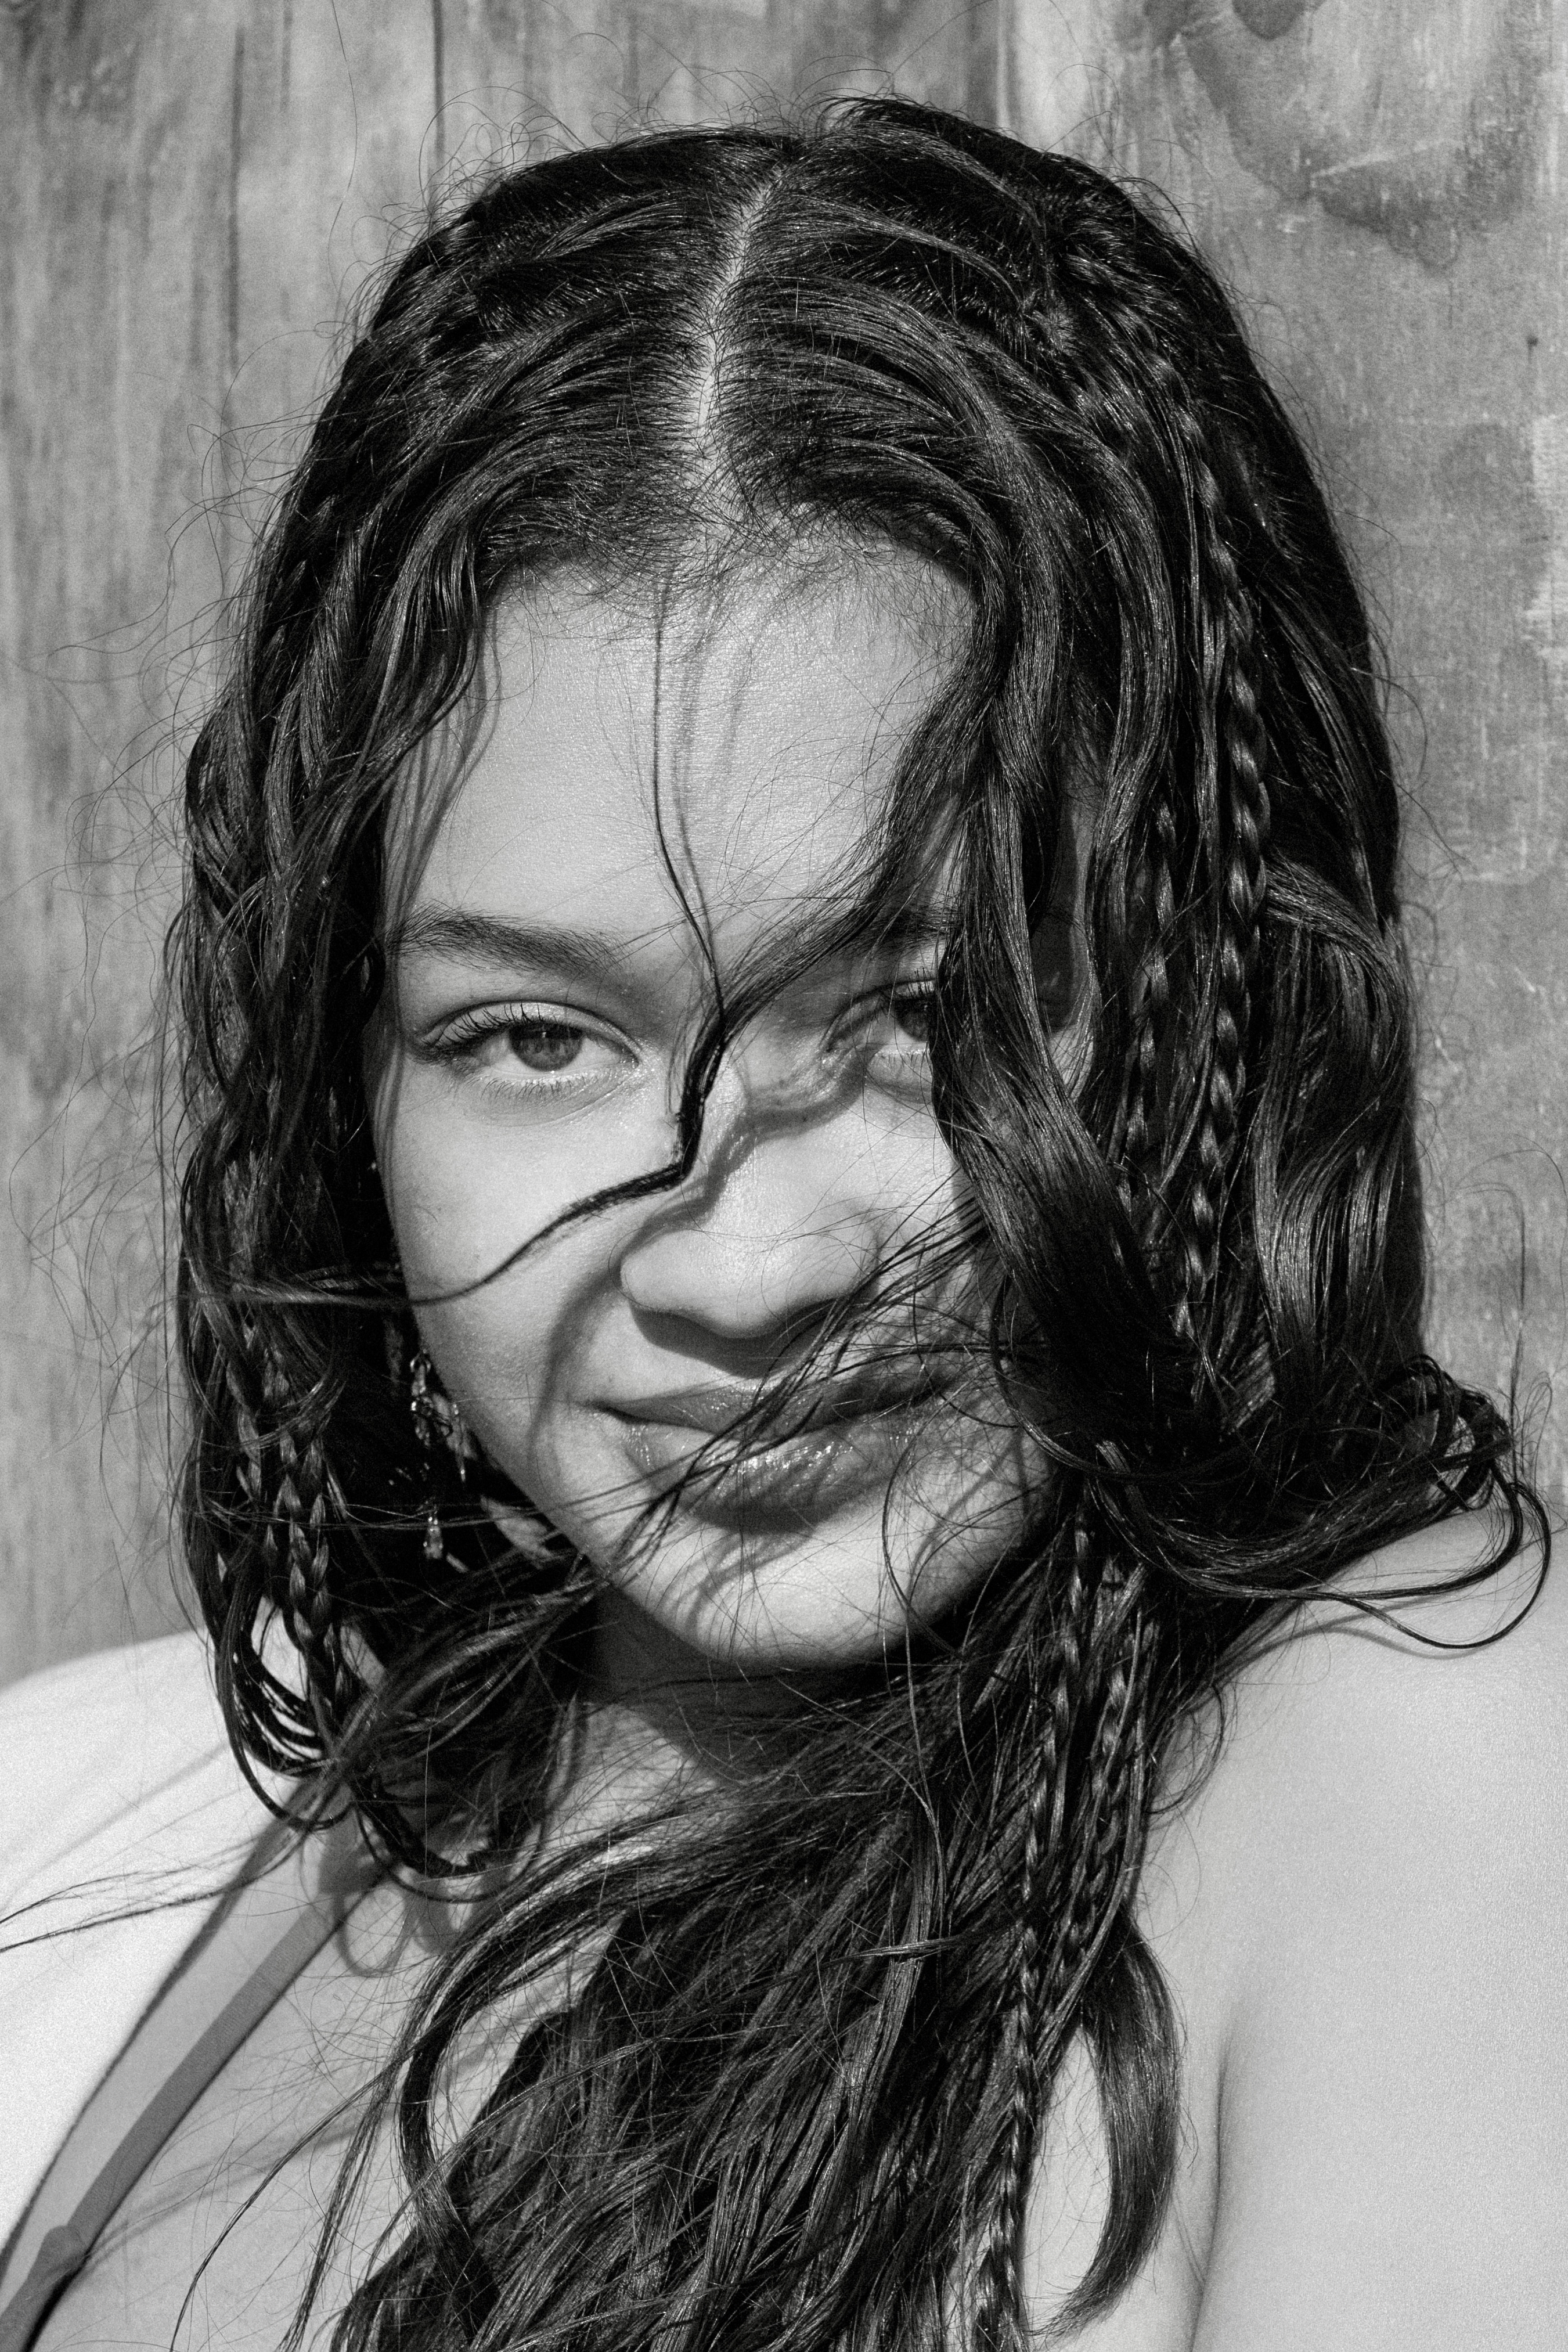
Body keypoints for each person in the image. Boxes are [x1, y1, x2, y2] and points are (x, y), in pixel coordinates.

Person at [0, 95, 1562, 2352]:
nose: (740, 1265)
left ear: (1215, 980)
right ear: (354, 1080)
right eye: (535, 1036)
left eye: (926, 1015)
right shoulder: (117, 1826)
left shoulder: (1414, 1761)